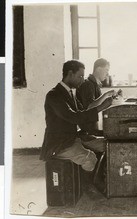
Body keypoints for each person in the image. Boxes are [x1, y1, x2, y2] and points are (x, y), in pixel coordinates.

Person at [40, 60, 118, 197]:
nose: (82, 79)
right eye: (80, 76)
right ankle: (88, 186)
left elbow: (84, 110)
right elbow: (73, 117)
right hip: (60, 144)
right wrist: (102, 107)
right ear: (70, 74)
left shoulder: (71, 93)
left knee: (107, 146)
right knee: (90, 158)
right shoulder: (54, 95)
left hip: (73, 137)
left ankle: (97, 180)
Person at [77, 58, 111, 136]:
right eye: (106, 70)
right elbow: (90, 107)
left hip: (93, 128)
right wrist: (106, 95)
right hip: (88, 131)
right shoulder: (88, 84)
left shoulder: (95, 85)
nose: (107, 74)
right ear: (98, 69)